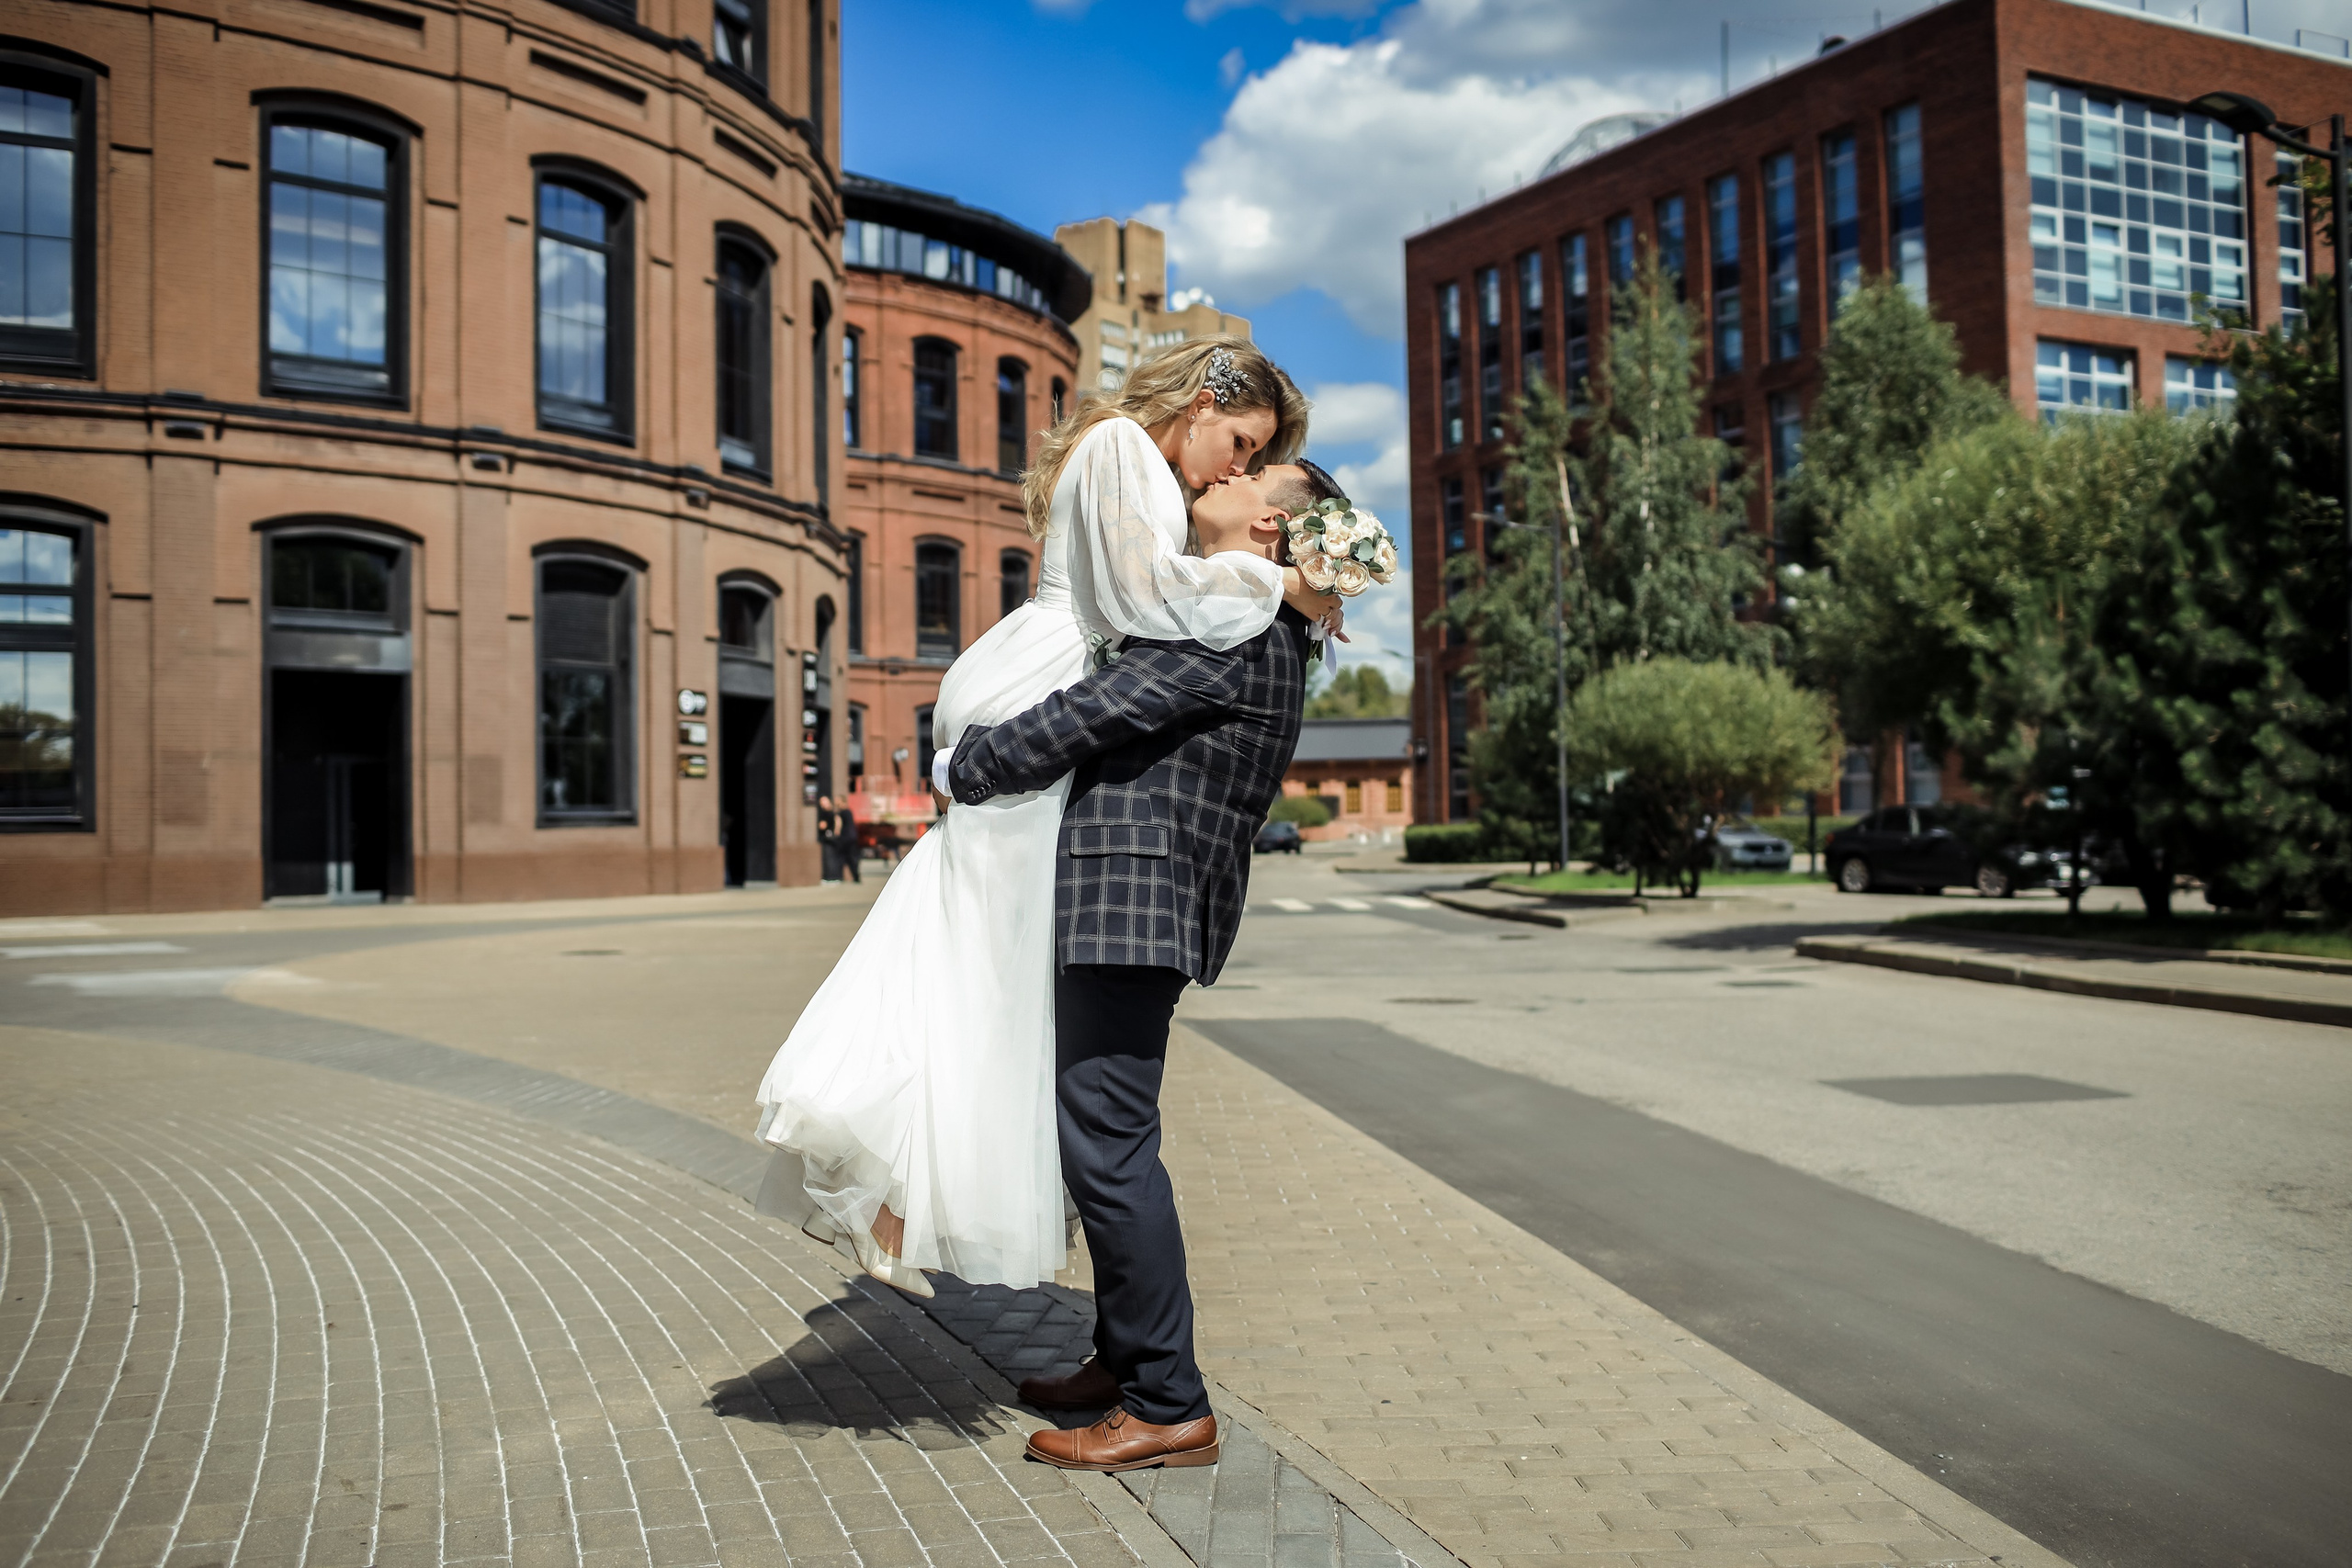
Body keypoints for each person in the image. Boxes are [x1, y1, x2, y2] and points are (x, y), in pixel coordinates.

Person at [752, 338, 1339, 1294]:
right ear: (1196, 404)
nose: (1235, 465)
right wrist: (1290, 585)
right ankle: (903, 1197)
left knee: (982, 969)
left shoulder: (1142, 470)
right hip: (1039, 688)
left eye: (1252, 457)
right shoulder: (1118, 448)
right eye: (1238, 440)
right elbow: (1146, 600)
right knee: (988, 977)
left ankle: (904, 1198)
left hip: (1039, 691)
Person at [939, 460, 1345, 1472]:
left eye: (1261, 469)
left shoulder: (1236, 621)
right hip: (1138, 905)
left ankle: (1169, 1400)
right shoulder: (1239, 613)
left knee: (1107, 1149)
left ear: (1269, 525)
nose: (1232, 466)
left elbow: (1095, 713)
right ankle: (1125, 1362)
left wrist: (965, 764)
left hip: (1134, 906)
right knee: (1106, 1139)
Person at [814, 795, 844, 884]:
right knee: (832, 858)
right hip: (832, 838)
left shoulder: (826, 813)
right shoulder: (833, 812)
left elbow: (822, 825)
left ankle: (831, 878)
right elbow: (838, 822)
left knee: (829, 859)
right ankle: (834, 877)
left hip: (828, 839)